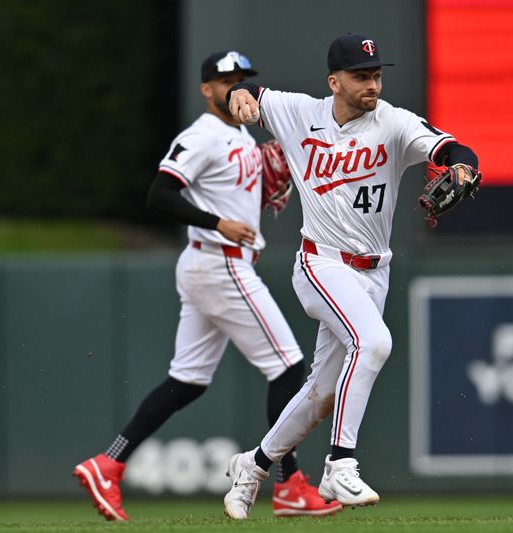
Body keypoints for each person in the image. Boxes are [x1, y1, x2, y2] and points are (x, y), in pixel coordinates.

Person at [72, 50, 342, 521]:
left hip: (212, 264)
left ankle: (108, 462)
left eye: (241, 80)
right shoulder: (201, 136)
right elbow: (160, 194)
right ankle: (289, 485)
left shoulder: (239, 135)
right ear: (205, 89)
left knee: (187, 381)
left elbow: (233, 191)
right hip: (221, 263)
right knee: (288, 365)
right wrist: (218, 220)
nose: (234, 88)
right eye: (225, 81)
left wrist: (258, 196)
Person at [221, 34, 480, 519]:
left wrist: (464, 167)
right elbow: (250, 92)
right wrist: (239, 95)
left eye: (377, 74)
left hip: (373, 273)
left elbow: (452, 148)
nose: (373, 84)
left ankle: (252, 466)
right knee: (375, 342)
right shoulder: (299, 111)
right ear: (334, 82)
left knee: (321, 392)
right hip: (321, 263)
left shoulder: (395, 123)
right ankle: (340, 465)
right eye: (362, 76)